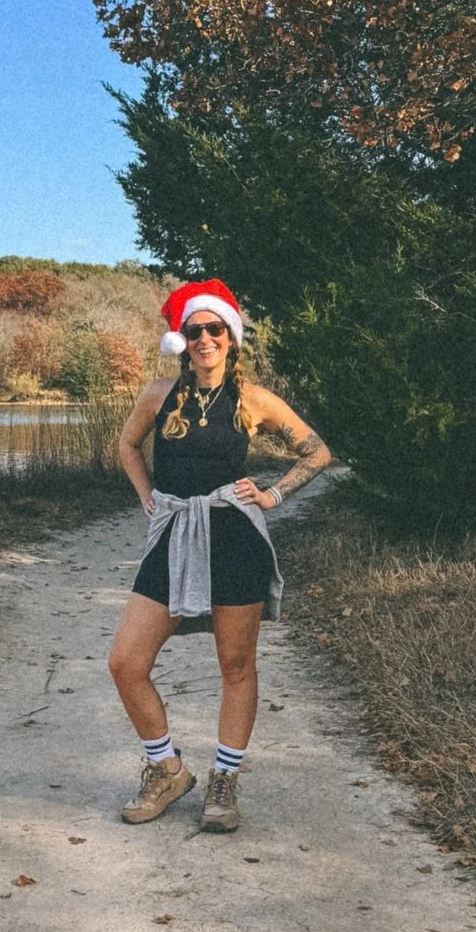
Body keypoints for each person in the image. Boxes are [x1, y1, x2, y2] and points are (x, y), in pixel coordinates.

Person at [108, 279, 332, 833]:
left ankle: (224, 781)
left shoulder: (253, 399)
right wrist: (147, 497)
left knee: (235, 666)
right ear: (181, 341)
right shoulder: (159, 395)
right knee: (126, 662)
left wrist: (274, 495)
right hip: (174, 535)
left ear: (230, 337)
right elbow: (127, 445)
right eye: (194, 331)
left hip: (235, 539)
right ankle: (167, 770)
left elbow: (317, 452)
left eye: (214, 329)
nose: (204, 339)